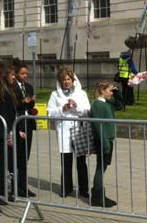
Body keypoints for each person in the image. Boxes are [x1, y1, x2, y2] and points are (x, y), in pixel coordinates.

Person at [47, 65, 91, 198]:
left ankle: (83, 190)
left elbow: (87, 111)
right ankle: (66, 188)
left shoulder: (81, 93)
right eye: (63, 80)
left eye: (68, 79)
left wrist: (76, 107)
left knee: (81, 162)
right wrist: (63, 109)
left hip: (78, 132)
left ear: (73, 80)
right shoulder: (55, 95)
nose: (66, 82)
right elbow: (49, 113)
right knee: (66, 162)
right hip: (64, 132)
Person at [0, 64, 23, 205]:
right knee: (4, 162)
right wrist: (9, 133)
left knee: (5, 161)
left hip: (6, 129)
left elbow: (13, 111)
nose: (14, 77)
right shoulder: (0, 91)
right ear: (5, 76)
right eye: (12, 75)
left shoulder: (9, 89)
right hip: (1, 131)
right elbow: (4, 114)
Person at [90, 79, 124, 207]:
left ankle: (99, 195)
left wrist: (117, 92)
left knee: (103, 166)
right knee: (101, 167)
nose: (111, 93)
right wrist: (105, 144)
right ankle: (97, 197)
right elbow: (99, 126)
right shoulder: (98, 105)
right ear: (102, 91)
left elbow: (120, 105)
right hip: (103, 140)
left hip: (108, 140)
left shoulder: (106, 103)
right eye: (110, 90)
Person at [12, 59, 36, 198]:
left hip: (27, 123)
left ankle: (22, 186)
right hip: (17, 123)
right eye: (22, 73)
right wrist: (22, 102)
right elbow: (12, 106)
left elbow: (31, 106)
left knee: (25, 157)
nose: (25, 76)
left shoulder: (29, 87)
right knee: (17, 156)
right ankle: (16, 185)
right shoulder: (13, 87)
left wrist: (31, 102)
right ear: (16, 74)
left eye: (26, 73)